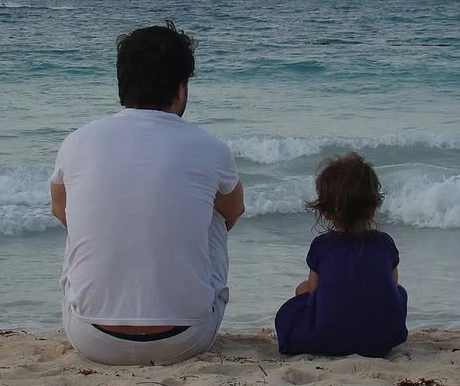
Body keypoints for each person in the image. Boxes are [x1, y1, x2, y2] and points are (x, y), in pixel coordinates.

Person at [49, 21, 244, 365]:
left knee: (80, 211)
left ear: (122, 84)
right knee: (213, 213)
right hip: (187, 338)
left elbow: (59, 211)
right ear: (180, 88)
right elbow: (234, 212)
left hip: (92, 338)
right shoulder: (210, 147)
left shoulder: (77, 141)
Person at [274, 152, 407, 357]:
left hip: (329, 337)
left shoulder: (322, 246)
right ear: (372, 209)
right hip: (379, 340)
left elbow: (314, 291)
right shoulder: (385, 244)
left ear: (325, 211)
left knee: (301, 292)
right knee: (400, 292)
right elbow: (390, 287)